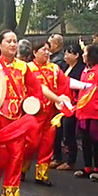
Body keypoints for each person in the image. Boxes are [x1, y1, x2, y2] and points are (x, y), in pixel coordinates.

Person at [0, 30, 42, 196]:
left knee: (16, 157)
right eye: (8, 41)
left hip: (17, 117)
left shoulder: (24, 68)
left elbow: (35, 90)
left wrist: (32, 107)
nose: (12, 44)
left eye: (15, 41)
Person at [24, 41, 72, 186]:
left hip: (50, 113)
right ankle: (21, 168)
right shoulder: (28, 68)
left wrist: (65, 100)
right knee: (30, 143)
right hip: (33, 113)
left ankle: (42, 175)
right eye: (43, 50)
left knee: (48, 143)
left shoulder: (55, 69)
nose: (46, 52)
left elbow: (64, 86)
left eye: (48, 50)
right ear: (34, 52)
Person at [51, 44, 86, 170]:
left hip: (73, 104)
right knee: (56, 130)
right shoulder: (63, 67)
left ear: (76, 56)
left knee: (68, 132)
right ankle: (57, 157)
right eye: (65, 53)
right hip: (60, 103)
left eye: (69, 53)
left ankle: (71, 161)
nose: (66, 56)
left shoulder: (81, 69)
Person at [74, 43, 98, 181]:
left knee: (96, 141)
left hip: (95, 113)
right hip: (83, 112)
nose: (83, 55)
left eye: (85, 52)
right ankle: (87, 166)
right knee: (85, 141)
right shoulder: (84, 70)